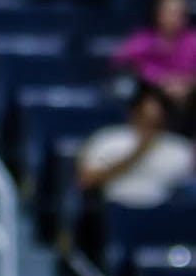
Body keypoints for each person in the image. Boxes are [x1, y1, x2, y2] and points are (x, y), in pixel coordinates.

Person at [76, 87, 192, 216]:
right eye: (144, 118)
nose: (149, 126)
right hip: (113, 212)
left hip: (166, 216)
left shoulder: (181, 148)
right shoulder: (107, 139)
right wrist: (136, 154)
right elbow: (87, 181)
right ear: (133, 113)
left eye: (155, 121)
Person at [113, 0, 196, 132]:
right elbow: (121, 67)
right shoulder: (142, 40)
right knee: (150, 105)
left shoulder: (193, 40)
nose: (176, 17)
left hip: (190, 99)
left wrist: (187, 83)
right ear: (157, 12)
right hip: (153, 95)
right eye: (170, 11)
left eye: (181, 12)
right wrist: (162, 81)